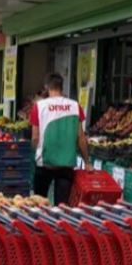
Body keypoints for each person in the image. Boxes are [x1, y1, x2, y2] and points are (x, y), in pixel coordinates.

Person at [30, 72, 92, 205]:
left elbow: (35, 137)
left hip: (45, 164)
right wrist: (87, 161)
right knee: (62, 207)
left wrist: (36, 151)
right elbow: (81, 137)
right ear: (62, 87)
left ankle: (40, 226)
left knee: (38, 205)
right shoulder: (75, 106)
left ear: (47, 87)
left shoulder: (39, 107)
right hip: (66, 165)